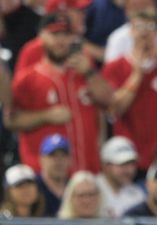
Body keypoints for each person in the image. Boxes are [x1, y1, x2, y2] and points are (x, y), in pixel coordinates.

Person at [8, 13, 112, 173]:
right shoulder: (28, 78)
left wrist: (89, 73)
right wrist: (46, 116)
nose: (61, 41)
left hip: (88, 171)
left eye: (66, 34)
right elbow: (11, 120)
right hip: (46, 177)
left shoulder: (85, 72)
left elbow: (109, 100)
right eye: (54, 34)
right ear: (41, 37)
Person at [102, 9, 157, 172]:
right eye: (139, 27)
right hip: (129, 156)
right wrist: (137, 75)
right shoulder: (115, 67)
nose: (144, 33)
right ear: (130, 31)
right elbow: (114, 110)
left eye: (150, 27)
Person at [97, 136, 144, 218]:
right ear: (106, 166)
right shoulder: (91, 188)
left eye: (131, 164)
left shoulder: (137, 195)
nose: (128, 170)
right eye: (122, 165)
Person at [36, 133, 71, 216]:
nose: (59, 161)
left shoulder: (75, 186)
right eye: (52, 156)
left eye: (63, 155)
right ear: (41, 159)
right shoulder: (33, 186)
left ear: (70, 159)